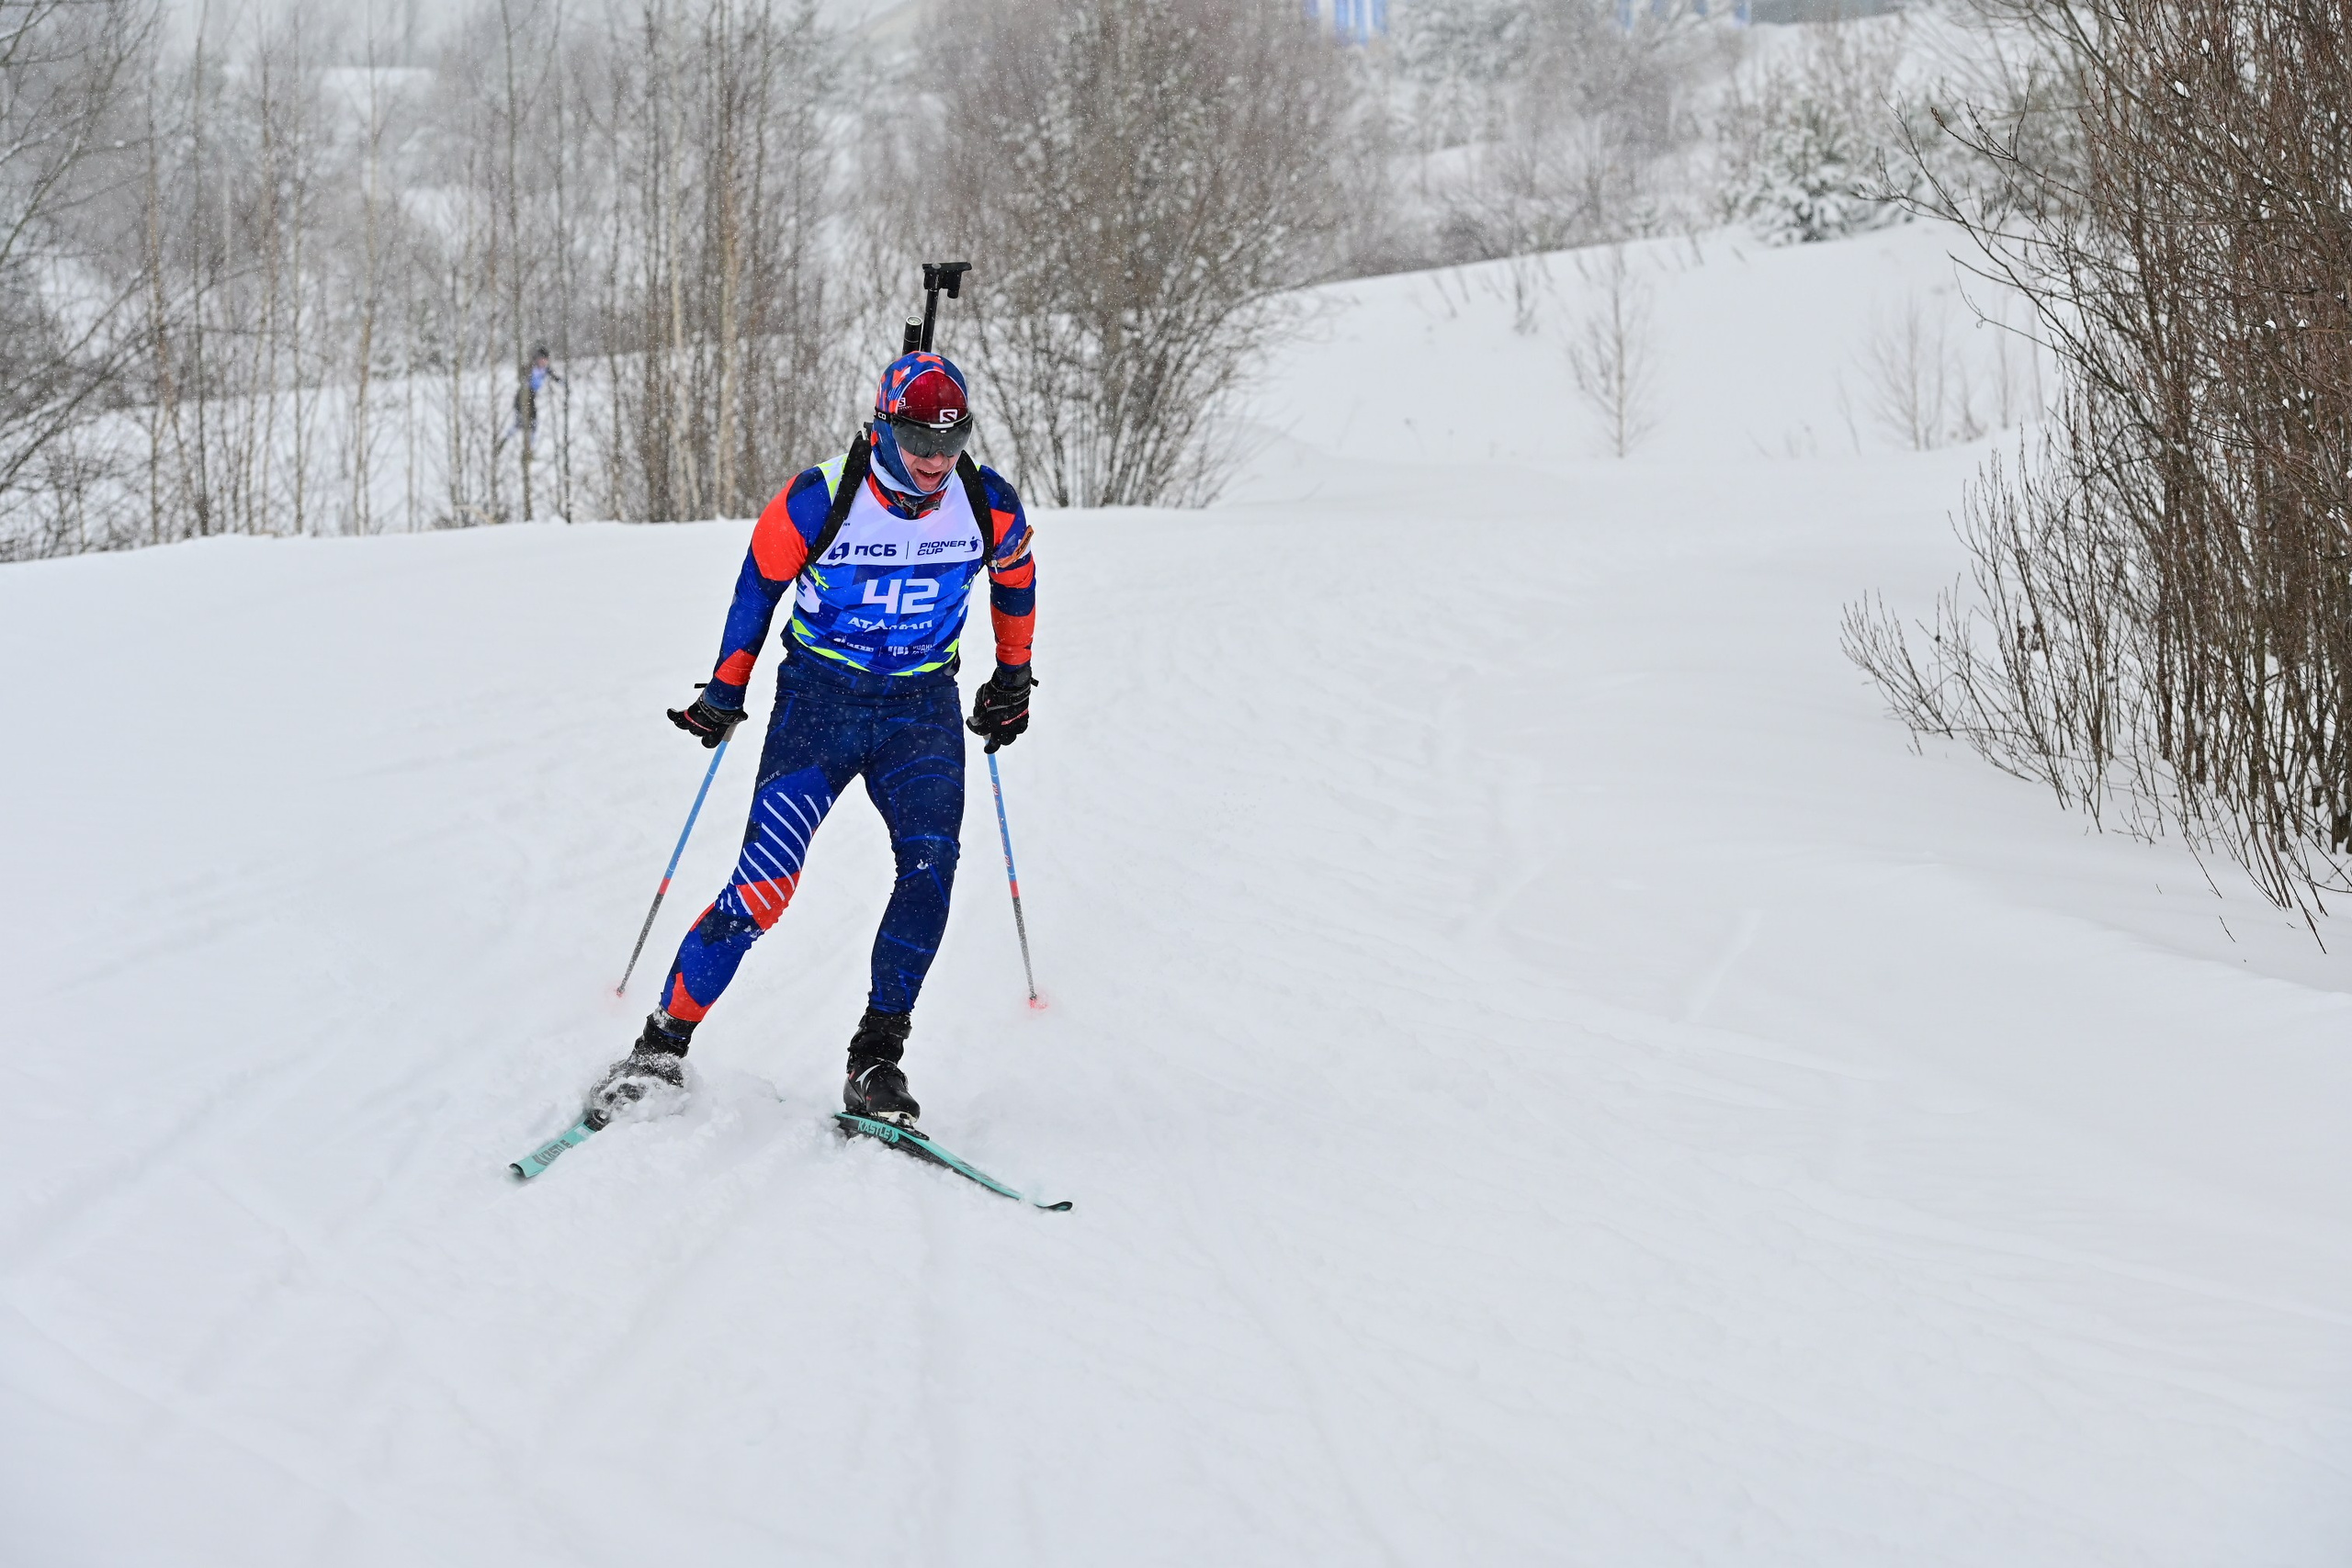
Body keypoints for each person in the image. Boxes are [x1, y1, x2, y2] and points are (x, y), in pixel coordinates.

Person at [586, 350, 1037, 1128]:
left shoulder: (986, 502)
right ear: (882, 424)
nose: (933, 459)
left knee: (930, 871)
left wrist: (1011, 681)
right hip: (820, 704)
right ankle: (661, 1043)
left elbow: (1016, 580)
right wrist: (725, 691)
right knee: (763, 889)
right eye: (916, 440)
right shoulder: (821, 497)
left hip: (919, 708)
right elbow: (756, 587)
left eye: (950, 440)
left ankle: (877, 1058)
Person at [503, 346, 561, 457]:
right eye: (542, 359)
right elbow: (521, 375)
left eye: (546, 360)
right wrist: (525, 378)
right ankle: (505, 440)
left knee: (533, 424)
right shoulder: (531, 368)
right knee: (519, 423)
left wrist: (563, 383)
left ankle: (529, 448)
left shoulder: (546, 369)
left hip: (532, 398)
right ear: (537, 359)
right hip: (522, 397)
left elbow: (555, 378)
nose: (544, 362)